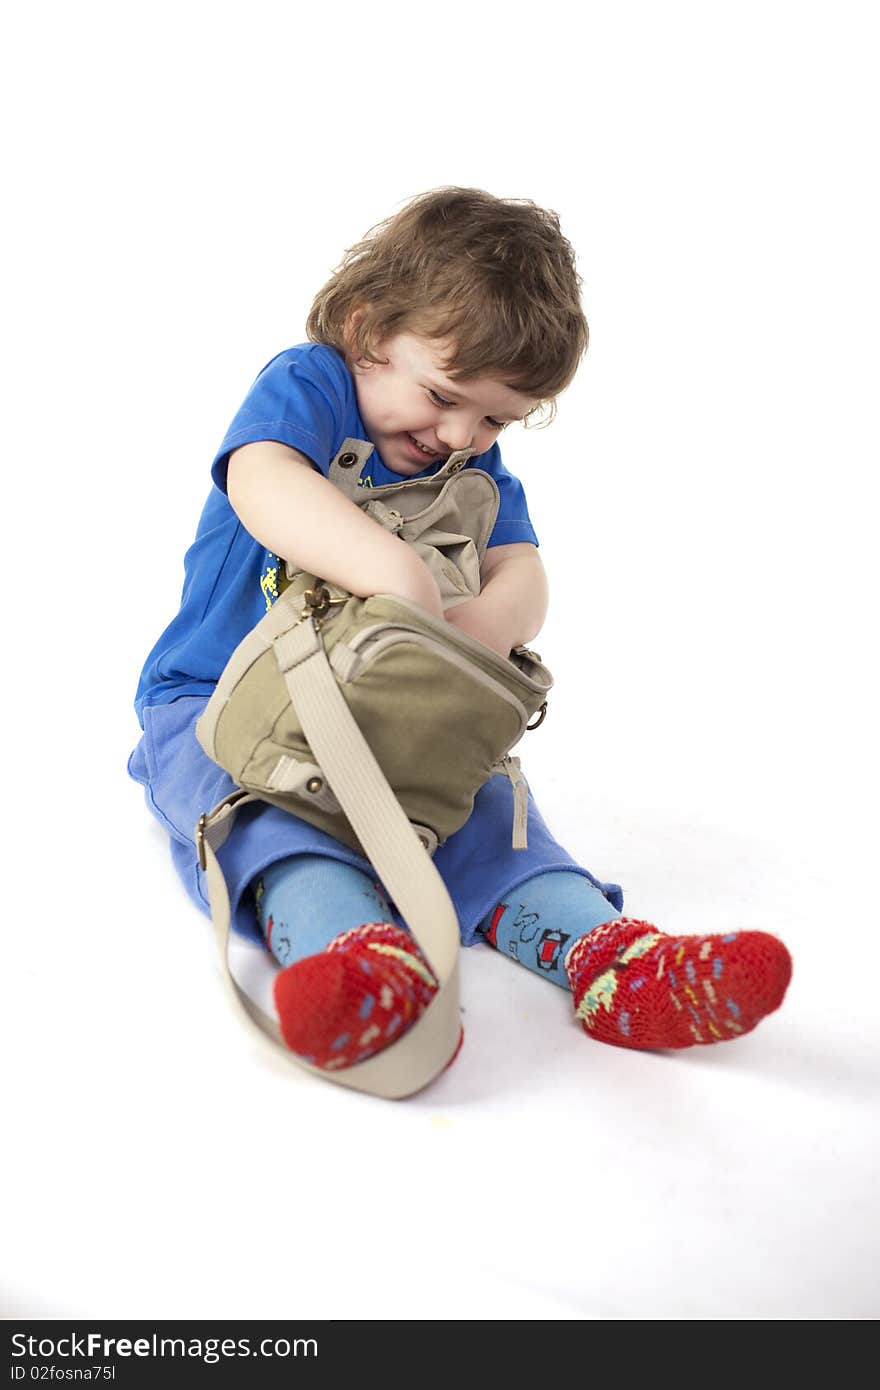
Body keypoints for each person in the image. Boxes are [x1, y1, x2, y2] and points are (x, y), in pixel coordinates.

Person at [128, 186, 791, 1074]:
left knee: (487, 817)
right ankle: (354, 959)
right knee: (266, 822)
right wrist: (398, 577)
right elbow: (261, 475)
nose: (459, 436)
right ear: (367, 334)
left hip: (387, 705)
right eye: (443, 397)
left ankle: (614, 961)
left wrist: (481, 626)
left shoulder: (471, 458)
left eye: (495, 418)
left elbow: (524, 566)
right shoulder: (312, 387)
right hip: (218, 699)